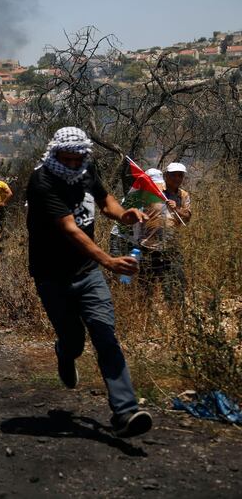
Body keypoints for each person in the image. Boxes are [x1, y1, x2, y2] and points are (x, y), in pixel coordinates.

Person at [26, 126, 152, 438]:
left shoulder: (85, 170)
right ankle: (64, 352)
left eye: (76, 159)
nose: (70, 165)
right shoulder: (42, 180)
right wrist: (108, 261)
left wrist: (124, 215)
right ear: (55, 154)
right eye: (65, 159)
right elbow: (70, 229)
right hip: (52, 277)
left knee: (105, 334)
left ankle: (125, 412)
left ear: (83, 156)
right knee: (73, 340)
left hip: (87, 273)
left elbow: (105, 198)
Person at [138, 162, 192, 303]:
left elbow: (187, 218)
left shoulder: (184, 196)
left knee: (175, 283)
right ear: (166, 176)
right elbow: (135, 206)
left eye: (180, 175)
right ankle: (144, 314)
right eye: (173, 175)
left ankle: (176, 313)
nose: (177, 178)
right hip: (149, 245)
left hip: (171, 246)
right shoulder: (154, 190)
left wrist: (177, 209)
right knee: (146, 284)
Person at [109, 168, 164, 257]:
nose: (156, 188)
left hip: (135, 241)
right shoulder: (133, 198)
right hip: (120, 238)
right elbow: (122, 220)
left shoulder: (156, 201)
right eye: (153, 185)